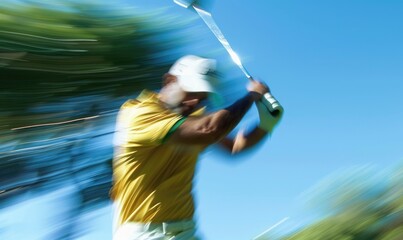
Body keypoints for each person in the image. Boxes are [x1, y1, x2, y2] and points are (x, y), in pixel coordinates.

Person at [111, 55, 282, 240]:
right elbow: (210, 129)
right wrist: (253, 95)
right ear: (169, 80)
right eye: (191, 92)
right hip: (144, 233)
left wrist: (266, 125)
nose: (195, 104)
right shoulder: (139, 113)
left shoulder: (191, 118)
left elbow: (233, 147)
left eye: (202, 98)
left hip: (187, 231)